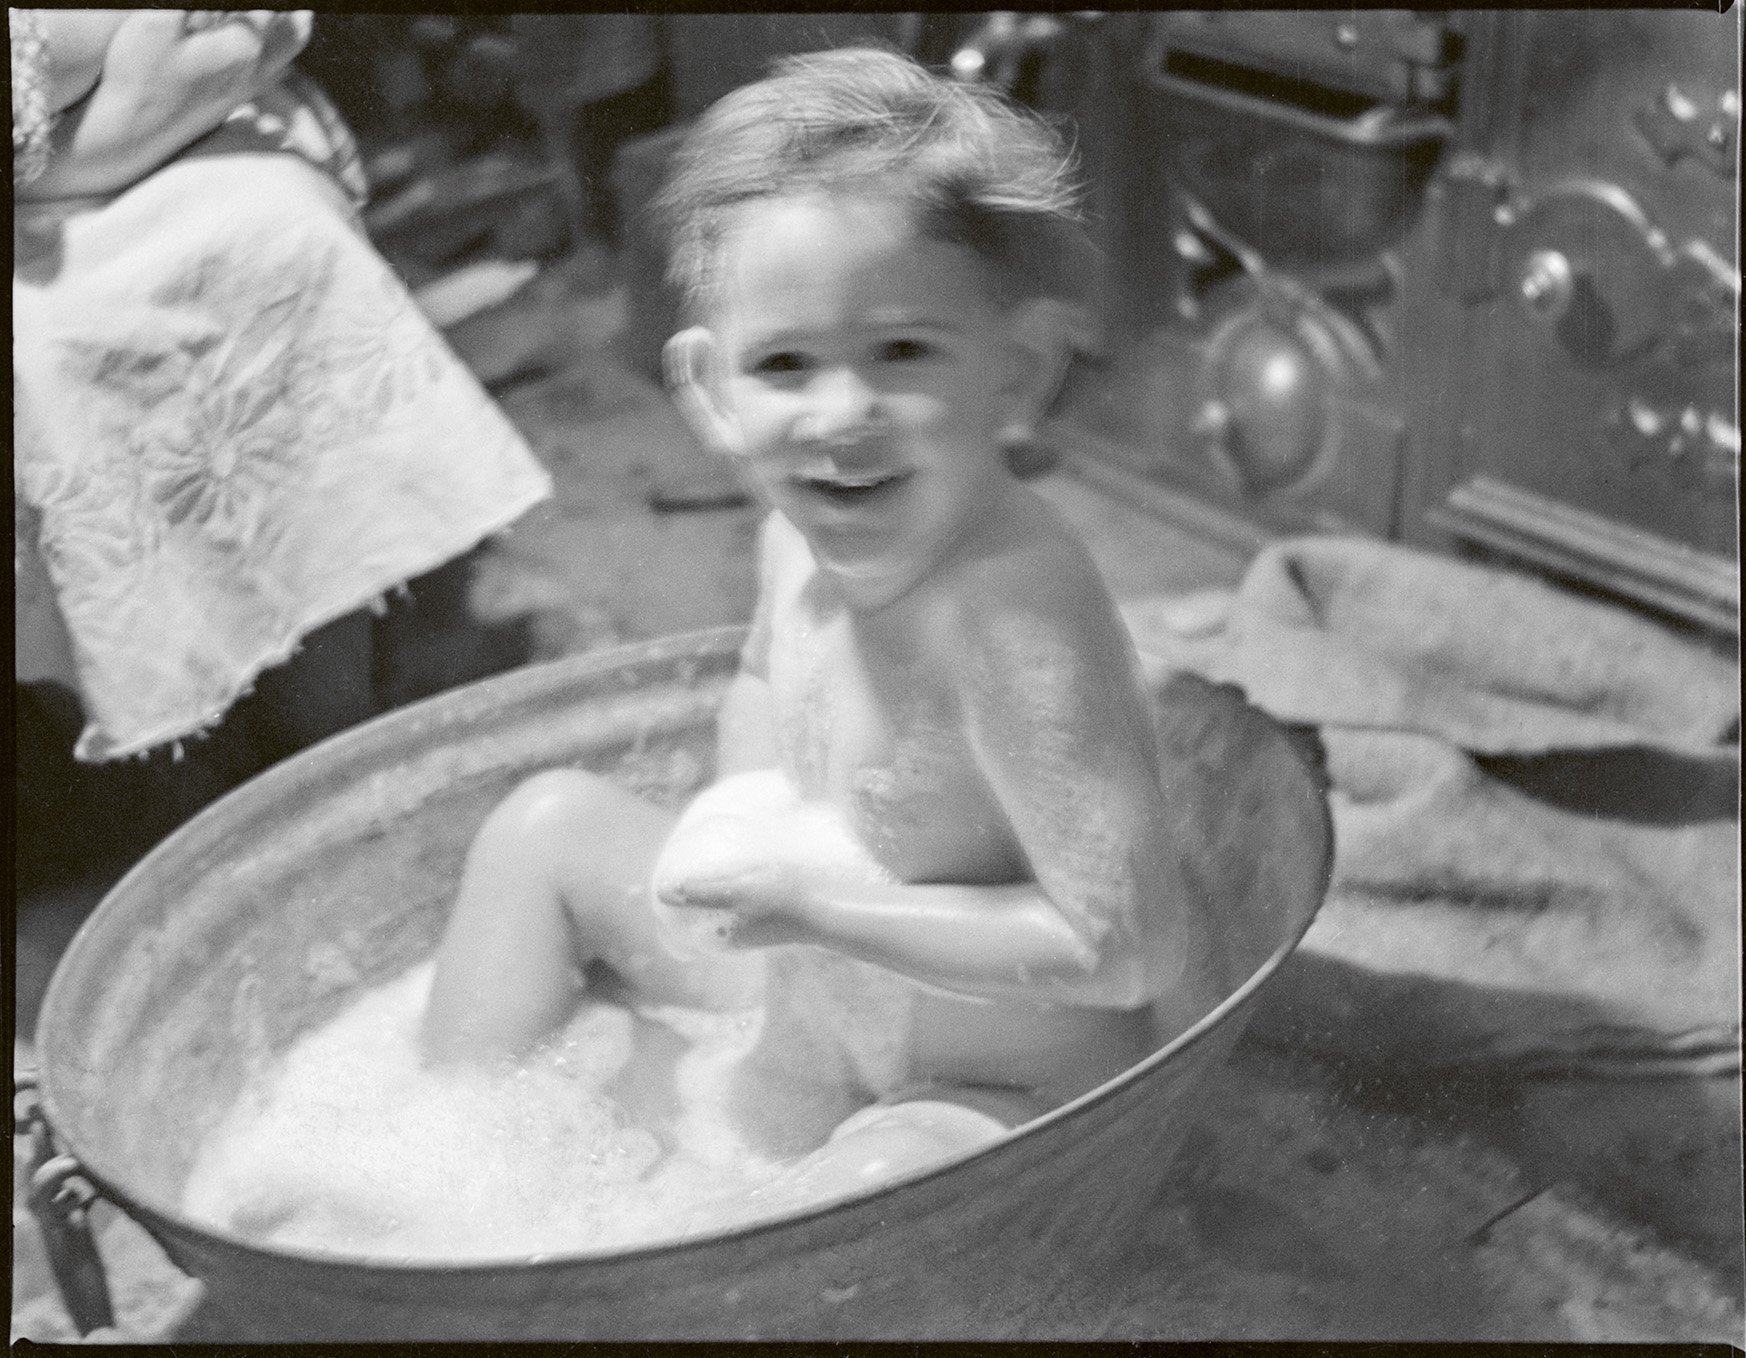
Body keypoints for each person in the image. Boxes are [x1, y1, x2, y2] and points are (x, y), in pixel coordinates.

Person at [421, 48, 1214, 1189]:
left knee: (844, 1205)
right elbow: (761, 681)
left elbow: (1130, 946)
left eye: (902, 350)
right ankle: (438, 1182)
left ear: (1017, 370)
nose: (842, 415)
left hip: (998, 1084)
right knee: (543, 825)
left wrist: (816, 905)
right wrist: (739, 829)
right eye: (786, 363)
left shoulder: (1010, 610)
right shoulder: (792, 532)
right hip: (807, 989)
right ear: (713, 394)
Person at [12, 9, 551, 764]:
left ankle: (335, 693)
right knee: (48, 364)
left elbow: (252, 34)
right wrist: (90, 144)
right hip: (66, 168)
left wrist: (137, 103)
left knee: (279, 235)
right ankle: (154, 721)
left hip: (153, 119)